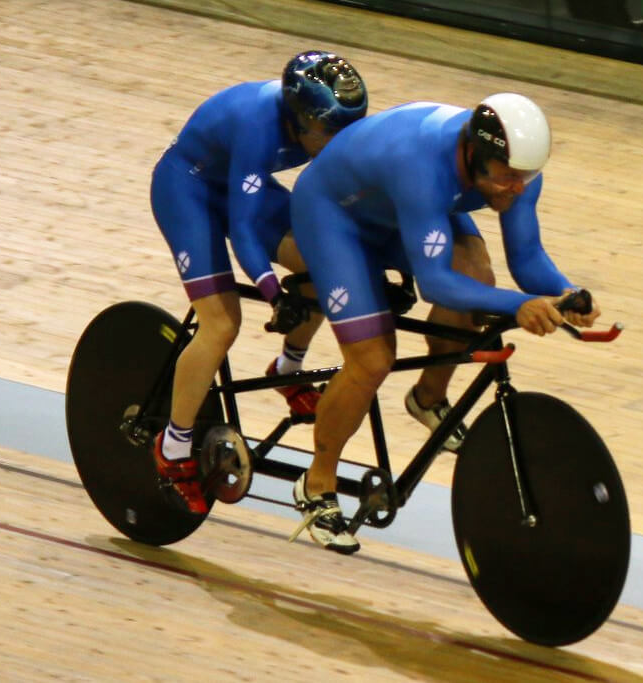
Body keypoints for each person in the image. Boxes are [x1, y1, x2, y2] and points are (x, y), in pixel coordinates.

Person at [288, 93, 602, 554]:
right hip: (335, 216)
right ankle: (316, 484)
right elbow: (435, 284)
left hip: (402, 209)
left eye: (526, 178)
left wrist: (564, 292)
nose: (517, 188)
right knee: (372, 359)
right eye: (508, 177)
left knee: (478, 273)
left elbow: (528, 258)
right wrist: (520, 305)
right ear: (475, 152)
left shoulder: (513, 169)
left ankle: (428, 398)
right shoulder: (422, 165)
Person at [149, 50, 368, 515]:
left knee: (325, 263)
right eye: (331, 132)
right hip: (187, 189)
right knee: (221, 324)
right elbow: (245, 231)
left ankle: (288, 370)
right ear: (300, 118)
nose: (339, 143)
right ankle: (172, 447)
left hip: (238, 183)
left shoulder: (316, 125)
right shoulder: (257, 125)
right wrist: (272, 291)